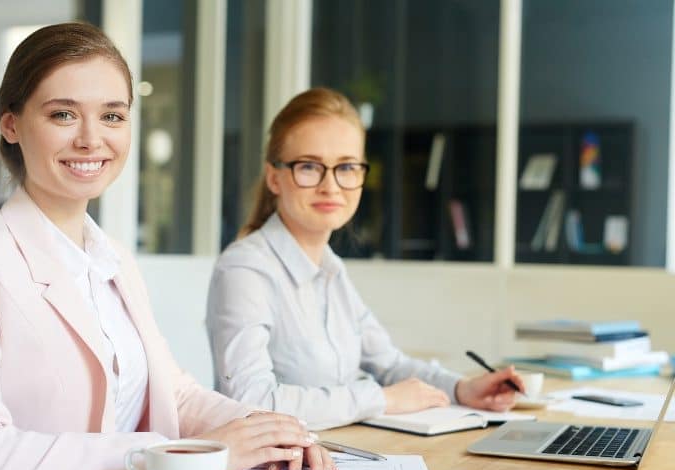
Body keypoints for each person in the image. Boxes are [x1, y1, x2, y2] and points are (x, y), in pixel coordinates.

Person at [0, 23, 333, 470]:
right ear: (11, 124)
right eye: (64, 114)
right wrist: (173, 452)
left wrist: (267, 430)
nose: (92, 139)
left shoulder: (110, 258)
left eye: (112, 115)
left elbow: (173, 391)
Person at [206, 87, 525, 430]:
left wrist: (461, 387)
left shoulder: (330, 269)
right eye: (310, 167)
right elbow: (251, 402)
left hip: (342, 456)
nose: (331, 186)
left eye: (346, 167)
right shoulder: (245, 269)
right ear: (274, 178)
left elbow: (389, 364)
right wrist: (381, 399)